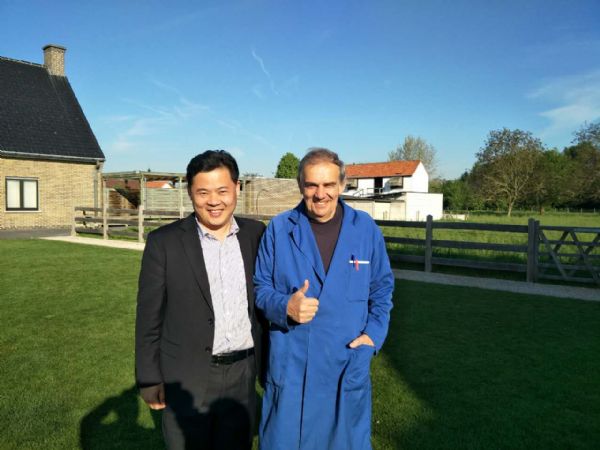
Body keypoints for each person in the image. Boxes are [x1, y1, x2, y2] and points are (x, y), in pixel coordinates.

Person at [254, 148, 395, 449]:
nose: (320, 194)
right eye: (312, 185)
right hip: (293, 369)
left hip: (346, 365)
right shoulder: (280, 229)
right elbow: (260, 287)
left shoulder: (365, 230)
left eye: (329, 184)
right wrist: (285, 306)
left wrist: (373, 335)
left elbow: (382, 289)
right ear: (300, 185)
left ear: (342, 184)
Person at [135, 150, 266, 449]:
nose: (214, 201)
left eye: (222, 190)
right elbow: (148, 318)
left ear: (237, 188)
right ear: (190, 193)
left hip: (243, 373)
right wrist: (149, 378)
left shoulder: (256, 234)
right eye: (203, 192)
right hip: (187, 375)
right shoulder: (164, 242)